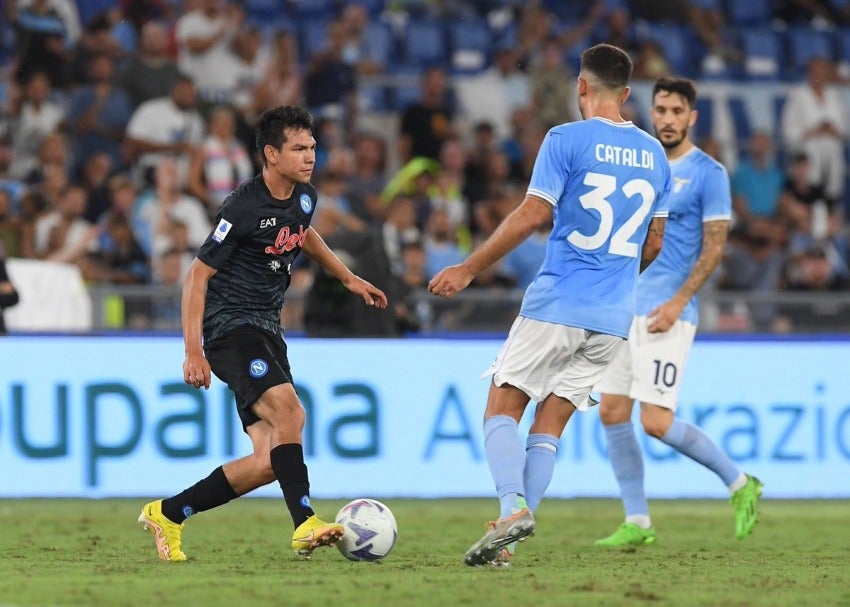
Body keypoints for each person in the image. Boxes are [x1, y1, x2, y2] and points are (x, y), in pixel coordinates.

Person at [427, 43, 671, 567]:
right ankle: (506, 547)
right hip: (612, 319)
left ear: (581, 86)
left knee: (501, 408)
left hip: (559, 301)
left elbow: (533, 213)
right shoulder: (655, 155)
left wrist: (468, 268)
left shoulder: (566, 138)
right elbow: (653, 244)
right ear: (628, 94)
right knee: (549, 426)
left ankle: (512, 509)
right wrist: (618, 281)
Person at [138, 105, 388, 562]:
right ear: (271, 154)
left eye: (313, 147)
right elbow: (196, 277)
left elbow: (303, 233)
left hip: (268, 329)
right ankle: (305, 522)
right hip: (231, 327)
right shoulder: (243, 206)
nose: (311, 156)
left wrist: (347, 278)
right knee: (292, 413)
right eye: (299, 148)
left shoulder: (305, 197)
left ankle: (168, 514)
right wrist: (193, 352)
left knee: (268, 461)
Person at [593, 77, 763, 548]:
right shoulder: (641, 163)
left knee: (656, 421)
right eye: (661, 109)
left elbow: (714, 249)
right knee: (610, 411)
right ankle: (637, 521)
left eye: (676, 111)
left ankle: (739, 482)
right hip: (622, 309)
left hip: (668, 312)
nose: (667, 118)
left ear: (692, 117)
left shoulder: (709, 173)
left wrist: (677, 301)